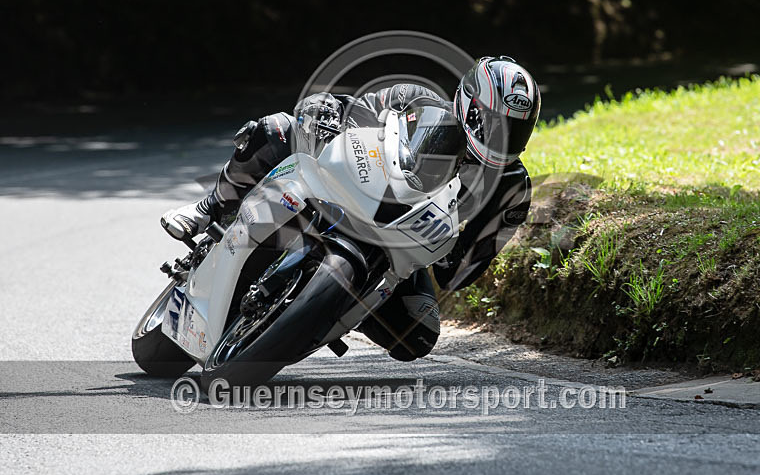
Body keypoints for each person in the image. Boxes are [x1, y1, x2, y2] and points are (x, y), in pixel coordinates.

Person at [161, 56, 540, 362]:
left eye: (515, 129)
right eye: (494, 124)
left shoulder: (513, 189)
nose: (502, 138)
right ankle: (209, 207)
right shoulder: (415, 99)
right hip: (342, 186)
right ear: (470, 104)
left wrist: (451, 240)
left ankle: (329, 307)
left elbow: (455, 273)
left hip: (400, 240)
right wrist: (325, 112)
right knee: (276, 129)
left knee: (417, 337)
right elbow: (351, 112)